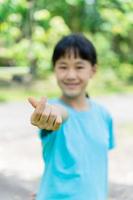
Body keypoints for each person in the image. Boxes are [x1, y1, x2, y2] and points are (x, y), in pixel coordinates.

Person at [28, 34, 115, 200]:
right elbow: (61, 114)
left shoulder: (104, 115)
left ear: (93, 70)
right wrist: (50, 114)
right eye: (63, 67)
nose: (70, 75)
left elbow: (96, 165)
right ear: (54, 69)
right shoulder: (54, 111)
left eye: (79, 67)